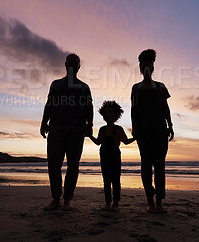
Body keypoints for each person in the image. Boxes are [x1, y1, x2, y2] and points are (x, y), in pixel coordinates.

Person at [40, 53, 93, 211]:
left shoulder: (84, 87)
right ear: (65, 65)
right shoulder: (56, 84)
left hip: (77, 129)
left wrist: (89, 124)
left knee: (73, 165)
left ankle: (68, 199)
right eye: (69, 61)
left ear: (79, 66)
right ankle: (56, 198)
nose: (72, 64)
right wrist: (44, 122)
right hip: (56, 127)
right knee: (54, 163)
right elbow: (49, 104)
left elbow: (89, 107)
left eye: (75, 62)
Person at [131, 49, 174, 213]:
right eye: (144, 66)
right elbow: (134, 110)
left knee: (160, 166)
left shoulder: (160, 87)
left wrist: (170, 125)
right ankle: (149, 199)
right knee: (146, 166)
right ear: (141, 69)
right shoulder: (136, 88)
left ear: (153, 68)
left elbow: (165, 107)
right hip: (143, 131)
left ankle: (159, 202)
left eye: (150, 65)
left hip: (160, 129)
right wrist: (135, 128)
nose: (147, 68)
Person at [88, 100, 135, 211]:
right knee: (106, 180)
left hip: (115, 157)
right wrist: (89, 136)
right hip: (104, 156)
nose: (107, 115)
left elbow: (126, 141)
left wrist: (136, 138)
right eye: (105, 113)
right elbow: (98, 142)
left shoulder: (118, 129)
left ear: (116, 115)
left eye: (110, 112)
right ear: (102, 115)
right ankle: (107, 203)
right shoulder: (102, 129)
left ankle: (116, 203)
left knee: (116, 180)